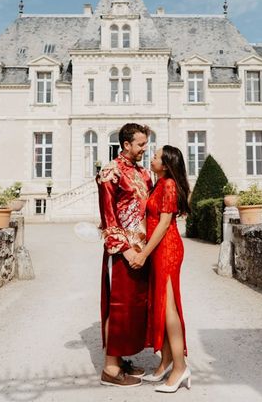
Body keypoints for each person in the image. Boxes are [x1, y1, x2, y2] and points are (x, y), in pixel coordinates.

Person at [130, 145, 191, 393]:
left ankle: (180, 366)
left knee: (169, 309)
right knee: (162, 306)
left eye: (155, 156)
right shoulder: (159, 183)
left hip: (167, 249)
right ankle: (166, 362)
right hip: (159, 249)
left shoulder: (167, 185)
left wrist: (143, 254)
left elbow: (165, 223)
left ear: (165, 164)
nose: (151, 158)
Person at [96, 123, 153, 387]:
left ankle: (119, 359)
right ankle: (110, 368)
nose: (144, 148)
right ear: (126, 144)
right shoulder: (110, 173)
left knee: (133, 307)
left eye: (145, 144)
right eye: (140, 144)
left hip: (142, 251)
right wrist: (126, 250)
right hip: (122, 252)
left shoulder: (143, 173)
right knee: (118, 307)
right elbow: (108, 217)